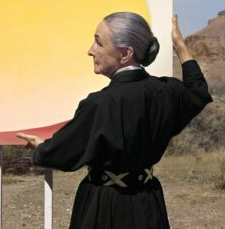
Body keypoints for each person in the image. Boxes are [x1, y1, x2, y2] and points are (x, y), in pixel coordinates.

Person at [17, 12, 212, 228]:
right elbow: (198, 92)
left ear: (126, 53)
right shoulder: (167, 92)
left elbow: (63, 153)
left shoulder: (100, 104)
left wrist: (40, 148)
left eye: (99, 43)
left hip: (104, 206)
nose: (90, 50)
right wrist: (179, 44)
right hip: (149, 203)